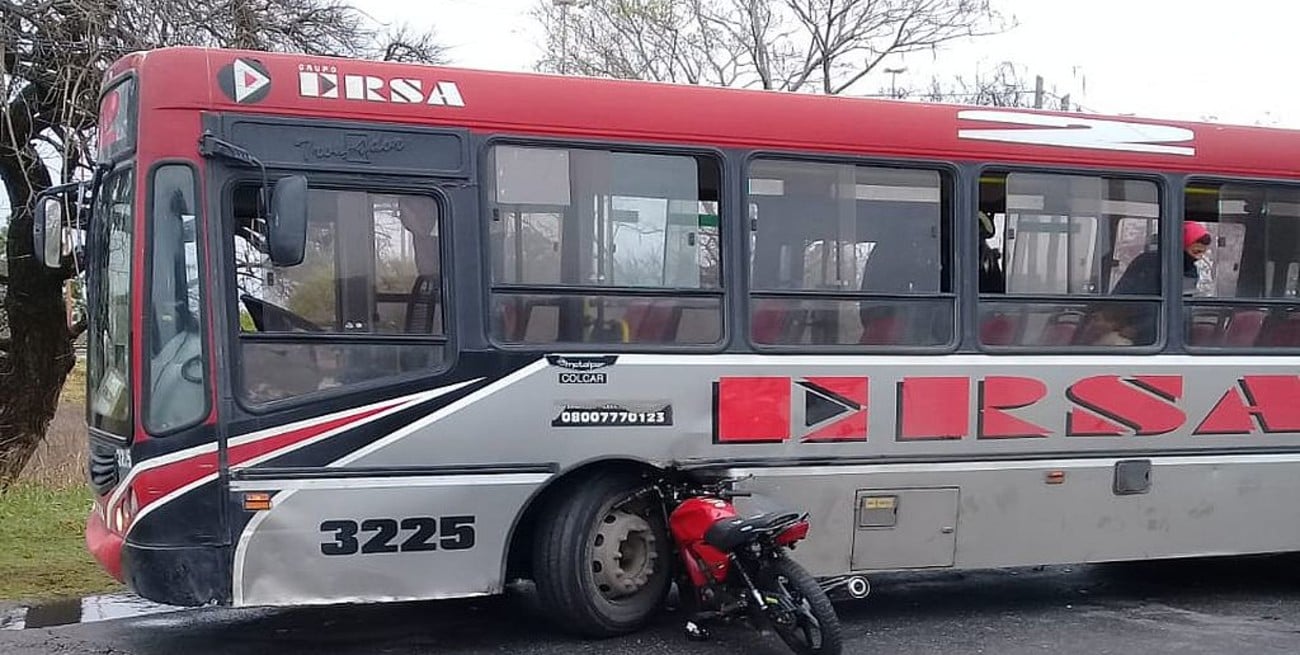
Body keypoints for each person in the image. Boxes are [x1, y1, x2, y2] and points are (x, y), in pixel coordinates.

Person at [1107, 221, 1212, 344]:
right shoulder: (1147, 263)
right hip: (1126, 327)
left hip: (1164, 336)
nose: (1199, 258)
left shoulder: (1190, 271)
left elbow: (1178, 311)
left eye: (1202, 253)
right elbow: (1123, 297)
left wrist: (1137, 329)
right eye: (1195, 252)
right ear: (1180, 246)